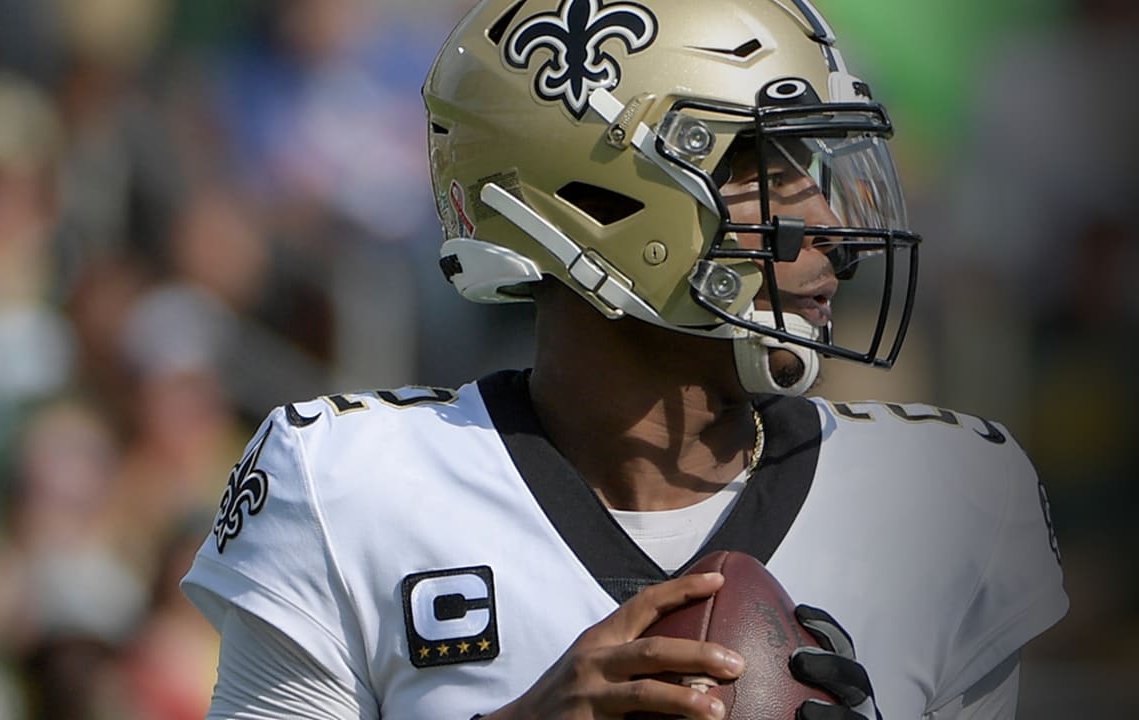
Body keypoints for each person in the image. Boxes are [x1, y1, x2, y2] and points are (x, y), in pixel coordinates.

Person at [180, 1, 1069, 718]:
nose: (830, 229)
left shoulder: (947, 498)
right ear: (594, 197)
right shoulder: (346, 483)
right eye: (769, 169)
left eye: (822, 170)